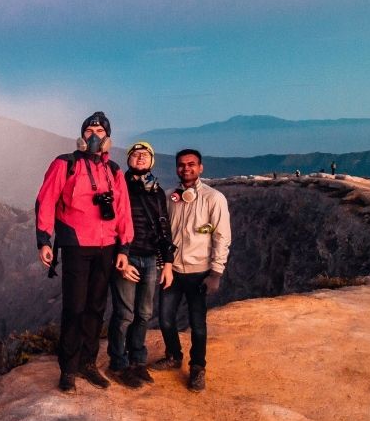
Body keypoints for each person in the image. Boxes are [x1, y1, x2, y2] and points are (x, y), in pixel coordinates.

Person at [35, 112, 133, 393]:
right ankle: (68, 368)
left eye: (100, 130)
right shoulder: (65, 164)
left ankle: (87, 363)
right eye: (89, 130)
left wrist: (124, 246)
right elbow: (46, 199)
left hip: (107, 247)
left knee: (96, 308)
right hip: (77, 245)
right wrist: (44, 239)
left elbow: (123, 209)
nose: (94, 134)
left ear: (108, 138)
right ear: (82, 135)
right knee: (75, 308)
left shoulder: (113, 170)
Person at [153, 148, 231, 392]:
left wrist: (216, 272)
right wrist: (161, 265)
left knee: (198, 325)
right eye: (181, 165)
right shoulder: (169, 197)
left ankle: (198, 367)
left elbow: (221, 235)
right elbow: (162, 235)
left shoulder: (214, 198)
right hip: (173, 271)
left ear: (200, 168)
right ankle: (174, 356)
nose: (186, 168)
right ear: (176, 168)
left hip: (199, 271)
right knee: (166, 319)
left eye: (191, 164)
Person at [107, 142, 174, 389]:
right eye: (135, 155)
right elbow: (111, 226)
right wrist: (120, 260)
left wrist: (167, 262)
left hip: (150, 259)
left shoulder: (156, 191)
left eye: (145, 155)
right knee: (125, 314)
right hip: (127, 258)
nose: (140, 158)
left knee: (144, 314)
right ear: (128, 160)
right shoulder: (119, 186)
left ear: (152, 160)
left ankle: (137, 361)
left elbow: (164, 226)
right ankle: (118, 364)